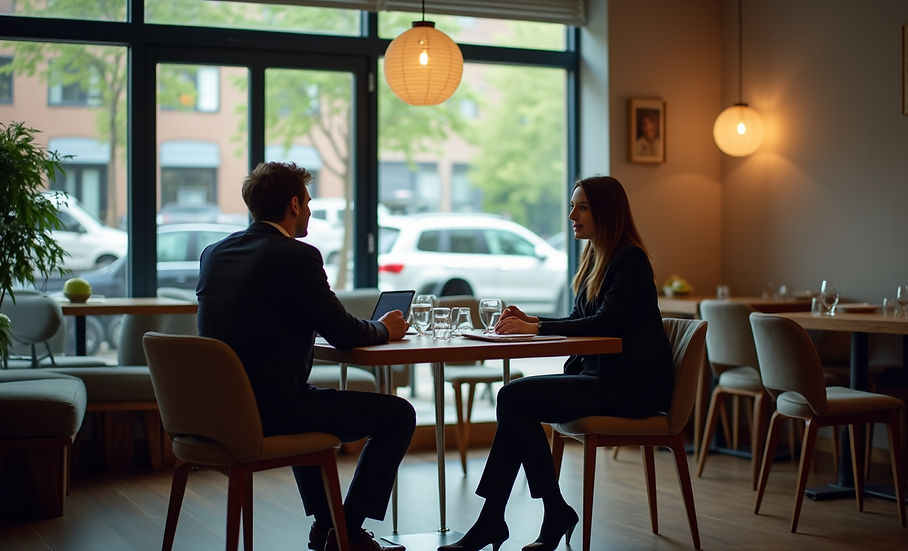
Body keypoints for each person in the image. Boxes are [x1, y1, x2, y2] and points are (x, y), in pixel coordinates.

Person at [438, 176, 673, 551]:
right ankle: (517, 517)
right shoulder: (595, 258)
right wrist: (532, 320)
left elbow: (603, 324)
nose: (571, 216)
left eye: (581, 207)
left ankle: (520, 517)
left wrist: (536, 326)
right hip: (601, 378)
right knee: (514, 401)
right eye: (572, 206)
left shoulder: (630, 259)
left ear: (607, 213)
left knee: (514, 399)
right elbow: (581, 319)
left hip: (630, 387)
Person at [196, 161, 414, 551]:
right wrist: (385, 328)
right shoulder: (295, 256)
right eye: (309, 201)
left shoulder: (215, 253)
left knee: (306, 397)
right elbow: (345, 334)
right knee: (399, 415)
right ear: (294, 204)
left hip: (214, 414)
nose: (311, 210)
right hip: (270, 412)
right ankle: (345, 532)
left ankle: (325, 527)